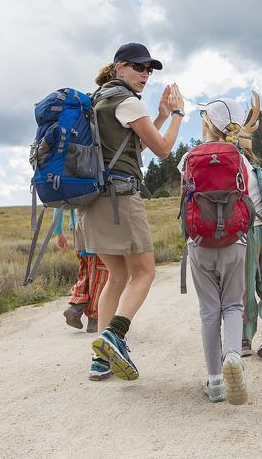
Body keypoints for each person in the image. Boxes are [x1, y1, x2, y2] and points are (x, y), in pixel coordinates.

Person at [85, 43, 184, 381]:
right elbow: (163, 149)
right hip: (122, 199)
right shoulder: (126, 100)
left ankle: (101, 358)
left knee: (117, 276)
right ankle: (114, 335)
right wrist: (178, 115)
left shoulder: (99, 99)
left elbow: (131, 146)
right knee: (144, 273)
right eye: (138, 67)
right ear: (118, 68)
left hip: (94, 201)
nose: (145, 74)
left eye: (149, 69)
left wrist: (157, 116)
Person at [179, 97, 259, 404]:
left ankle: (214, 382)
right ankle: (234, 357)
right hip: (234, 244)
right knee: (234, 306)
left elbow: (184, 201)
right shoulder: (241, 159)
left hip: (199, 244)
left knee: (209, 311)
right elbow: (249, 201)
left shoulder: (188, 157)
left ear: (206, 122)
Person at [53, 208, 109, 334]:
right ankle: (95, 316)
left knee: (86, 271)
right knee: (100, 273)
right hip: (96, 225)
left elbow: (58, 205)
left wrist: (59, 232)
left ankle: (75, 305)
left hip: (77, 228)